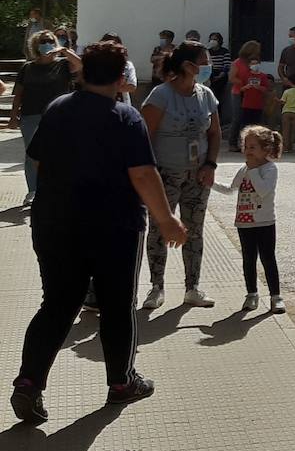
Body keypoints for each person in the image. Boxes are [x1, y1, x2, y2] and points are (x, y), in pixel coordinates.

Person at [8, 40, 187, 424]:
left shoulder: (57, 109)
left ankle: (28, 382)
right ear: (122, 77)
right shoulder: (126, 117)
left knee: (57, 304)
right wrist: (166, 218)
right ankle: (121, 383)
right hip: (114, 226)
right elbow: (142, 173)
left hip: (55, 221)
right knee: (117, 306)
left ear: (82, 72)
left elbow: (36, 158)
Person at [140, 40, 221, 311]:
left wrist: (210, 164)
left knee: (194, 230)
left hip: (197, 175)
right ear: (188, 65)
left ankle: (192, 287)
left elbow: (214, 132)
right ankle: (156, 287)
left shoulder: (206, 95)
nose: (208, 65)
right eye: (204, 60)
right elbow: (144, 138)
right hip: (165, 174)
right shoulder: (161, 95)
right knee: (160, 229)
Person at [7, 29, 82, 206]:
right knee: (32, 155)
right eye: (42, 41)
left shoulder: (64, 65)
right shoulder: (28, 67)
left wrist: (64, 51)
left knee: (59, 152)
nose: (46, 43)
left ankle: (56, 188)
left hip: (58, 116)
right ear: (35, 46)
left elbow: (80, 65)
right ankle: (33, 190)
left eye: (49, 40)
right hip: (30, 115)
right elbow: (18, 93)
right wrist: (13, 116)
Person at [216, 125, 285, 314]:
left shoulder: (270, 169)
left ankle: (275, 296)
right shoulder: (244, 169)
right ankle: (252, 294)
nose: (247, 151)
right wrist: (210, 184)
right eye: (246, 146)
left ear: (266, 150)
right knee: (248, 259)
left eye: (253, 147)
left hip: (265, 222)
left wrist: (253, 170)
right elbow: (231, 188)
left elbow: (263, 191)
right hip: (244, 222)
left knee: (268, 258)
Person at [227, 40, 260, 152]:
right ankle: (232, 142)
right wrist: (244, 83)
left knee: (248, 118)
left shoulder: (253, 63)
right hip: (238, 93)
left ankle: (245, 143)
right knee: (237, 117)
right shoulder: (237, 63)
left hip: (250, 93)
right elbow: (232, 78)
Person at [237, 48, 274, 139]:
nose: (254, 65)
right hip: (247, 104)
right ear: (249, 65)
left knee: (256, 126)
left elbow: (267, 89)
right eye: (252, 64)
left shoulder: (263, 76)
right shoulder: (245, 75)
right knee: (245, 125)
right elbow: (240, 88)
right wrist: (246, 87)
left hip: (258, 105)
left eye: (256, 63)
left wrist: (259, 88)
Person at [99, 32, 139, 104]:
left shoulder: (127, 65)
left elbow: (132, 86)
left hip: (121, 103)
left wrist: (106, 89)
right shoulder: (96, 64)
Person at [206, 31, 232, 109]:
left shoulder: (224, 51)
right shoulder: (208, 51)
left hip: (221, 76)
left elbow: (227, 65)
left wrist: (221, 75)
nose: (213, 41)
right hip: (210, 74)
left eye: (215, 39)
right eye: (211, 39)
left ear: (219, 40)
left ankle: (218, 116)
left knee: (218, 97)